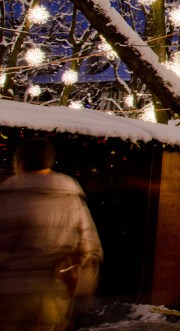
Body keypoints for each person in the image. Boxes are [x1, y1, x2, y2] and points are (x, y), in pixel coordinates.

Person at [0, 138, 103, 331]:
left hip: (7, 298)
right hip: (50, 298)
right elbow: (90, 250)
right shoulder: (71, 200)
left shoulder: (7, 197)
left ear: (19, 164)